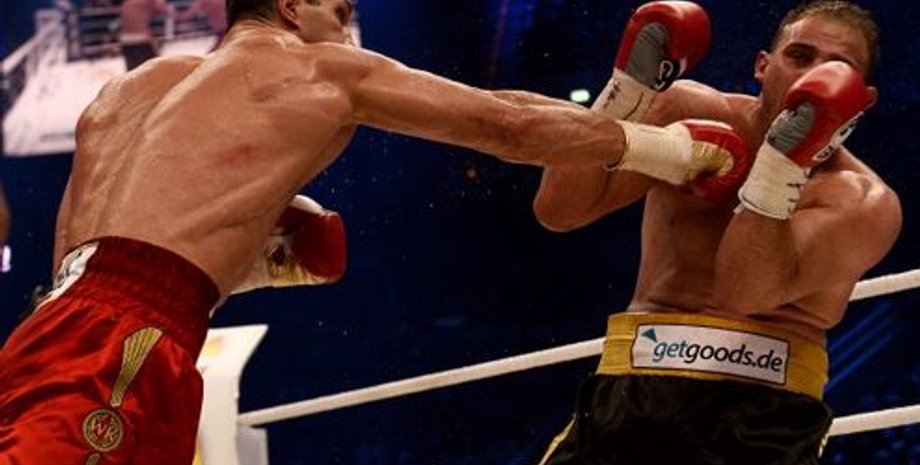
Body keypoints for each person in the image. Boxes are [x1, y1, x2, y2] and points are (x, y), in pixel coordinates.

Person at [0, 0, 751, 463]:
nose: (352, 33)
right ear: (293, 8)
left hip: (45, 331)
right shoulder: (317, 69)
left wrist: (250, 266)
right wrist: (670, 151)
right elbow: (505, 123)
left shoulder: (129, 91)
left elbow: (103, 264)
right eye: (342, 12)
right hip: (128, 348)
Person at [533, 1, 902, 464]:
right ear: (762, 66)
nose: (814, 76)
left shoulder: (863, 202)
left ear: (862, 100)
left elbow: (744, 293)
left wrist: (782, 162)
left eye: (837, 67)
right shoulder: (690, 110)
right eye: (800, 56)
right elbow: (560, 210)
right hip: (633, 387)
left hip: (764, 418)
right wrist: (625, 95)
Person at [119, 0, 175, 71]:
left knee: (134, 72)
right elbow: (169, 13)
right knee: (153, 70)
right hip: (141, 39)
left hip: (124, 39)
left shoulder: (127, 2)